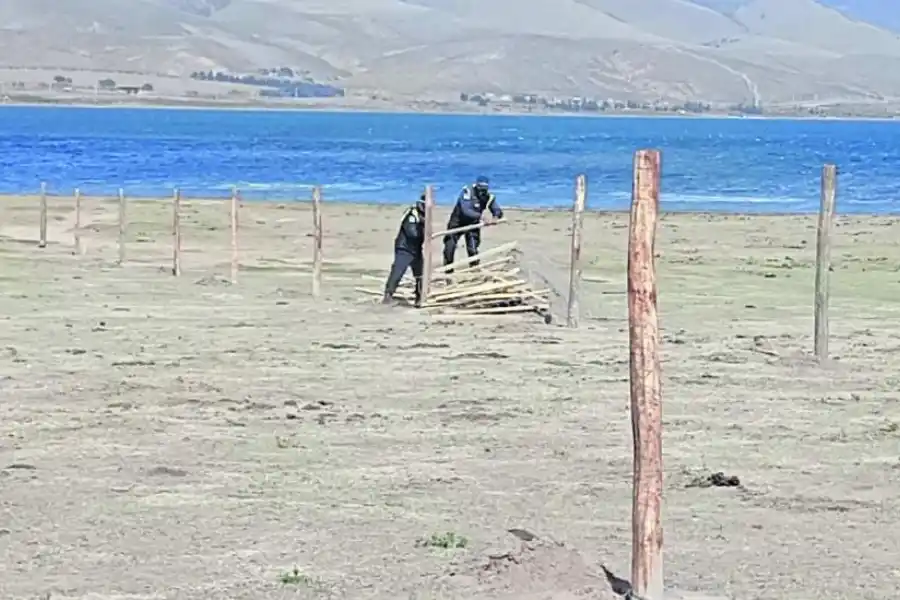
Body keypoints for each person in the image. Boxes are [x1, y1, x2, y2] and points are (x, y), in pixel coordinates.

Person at [442, 175, 503, 271]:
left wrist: (496, 216)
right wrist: (481, 217)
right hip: (458, 221)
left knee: (473, 248)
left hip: (473, 223)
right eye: (480, 189)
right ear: (477, 186)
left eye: (484, 189)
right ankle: (448, 270)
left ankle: (474, 269)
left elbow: (496, 209)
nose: (482, 192)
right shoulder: (467, 192)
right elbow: (466, 210)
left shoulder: (488, 196)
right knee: (450, 245)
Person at [382, 194, 426, 306]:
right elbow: (413, 233)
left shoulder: (423, 216)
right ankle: (388, 296)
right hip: (405, 248)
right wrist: (424, 229)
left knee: (420, 274)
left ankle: (419, 297)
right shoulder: (412, 215)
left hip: (416, 249)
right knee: (398, 271)